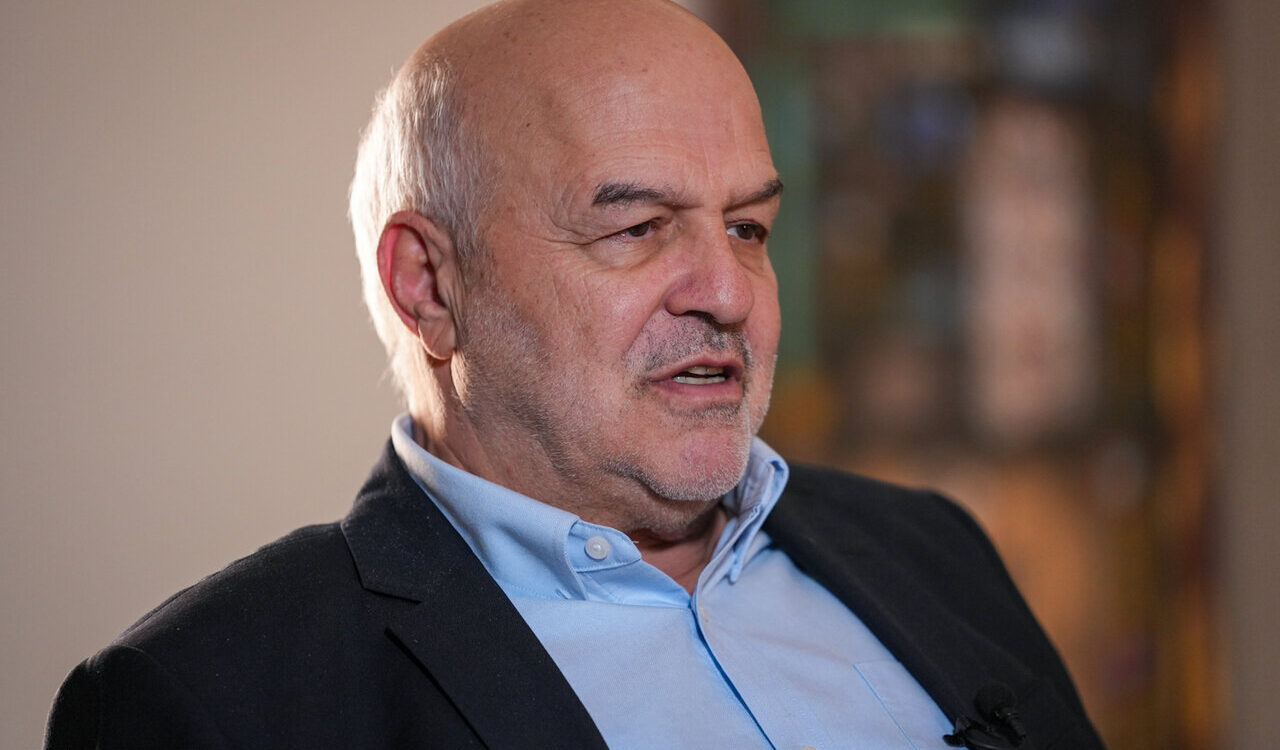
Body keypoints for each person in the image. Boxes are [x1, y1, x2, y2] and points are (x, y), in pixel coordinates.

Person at [45, 1, 1104, 748]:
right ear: (429, 286)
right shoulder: (212, 699)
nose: (726, 293)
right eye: (637, 229)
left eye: (747, 227)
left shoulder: (932, 549)